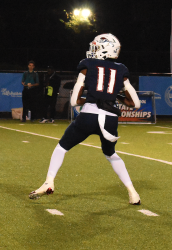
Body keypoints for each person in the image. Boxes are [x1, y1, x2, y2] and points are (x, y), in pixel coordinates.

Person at [29, 34, 142, 205]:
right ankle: (133, 193)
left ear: (105, 49)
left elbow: (74, 101)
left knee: (61, 147)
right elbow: (136, 104)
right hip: (110, 119)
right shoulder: (122, 69)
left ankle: (49, 182)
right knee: (111, 154)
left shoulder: (87, 65)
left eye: (96, 47)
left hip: (89, 115)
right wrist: (113, 97)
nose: (93, 50)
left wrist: (92, 99)